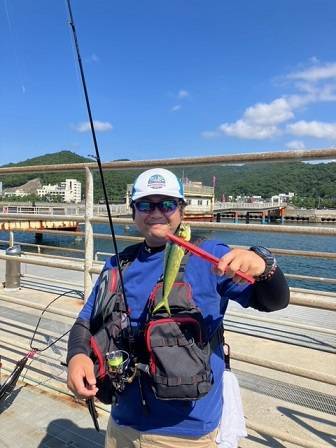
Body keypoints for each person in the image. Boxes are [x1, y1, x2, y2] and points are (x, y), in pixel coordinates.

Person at [67, 168, 290, 448]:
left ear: (182, 210)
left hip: (187, 433)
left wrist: (264, 263)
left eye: (168, 204)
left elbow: (273, 301)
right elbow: (86, 320)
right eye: (145, 204)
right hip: (122, 421)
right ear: (133, 212)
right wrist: (77, 356)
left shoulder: (211, 257)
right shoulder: (117, 264)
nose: (156, 212)